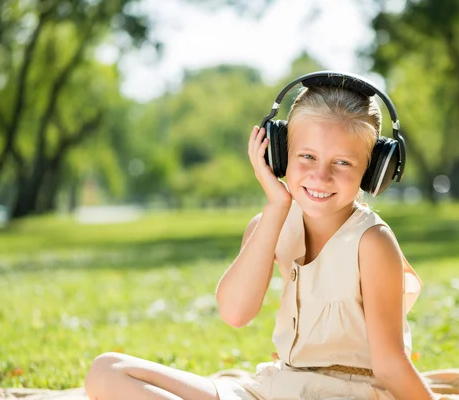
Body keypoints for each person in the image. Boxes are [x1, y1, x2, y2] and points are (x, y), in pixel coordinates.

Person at [84, 72, 435, 400]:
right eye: (307, 156)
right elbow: (235, 313)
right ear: (278, 154)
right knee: (107, 371)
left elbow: (390, 366)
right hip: (279, 386)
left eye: (342, 163)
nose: (320, 176)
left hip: (348, 393)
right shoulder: (271, 223)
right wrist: (277, 205)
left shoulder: (372, 242)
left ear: (374, 171)